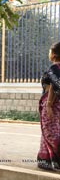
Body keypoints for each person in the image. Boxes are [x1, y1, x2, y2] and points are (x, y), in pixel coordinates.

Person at [37, 42, 60, 171]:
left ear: (54, 54)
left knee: (51, 132)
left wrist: (49, 105)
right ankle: (45, 160)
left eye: (50, 51)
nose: (49, 54)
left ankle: (54, 160)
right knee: (49, 132)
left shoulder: (54, 69)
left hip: (53, 105)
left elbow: (52, 87)